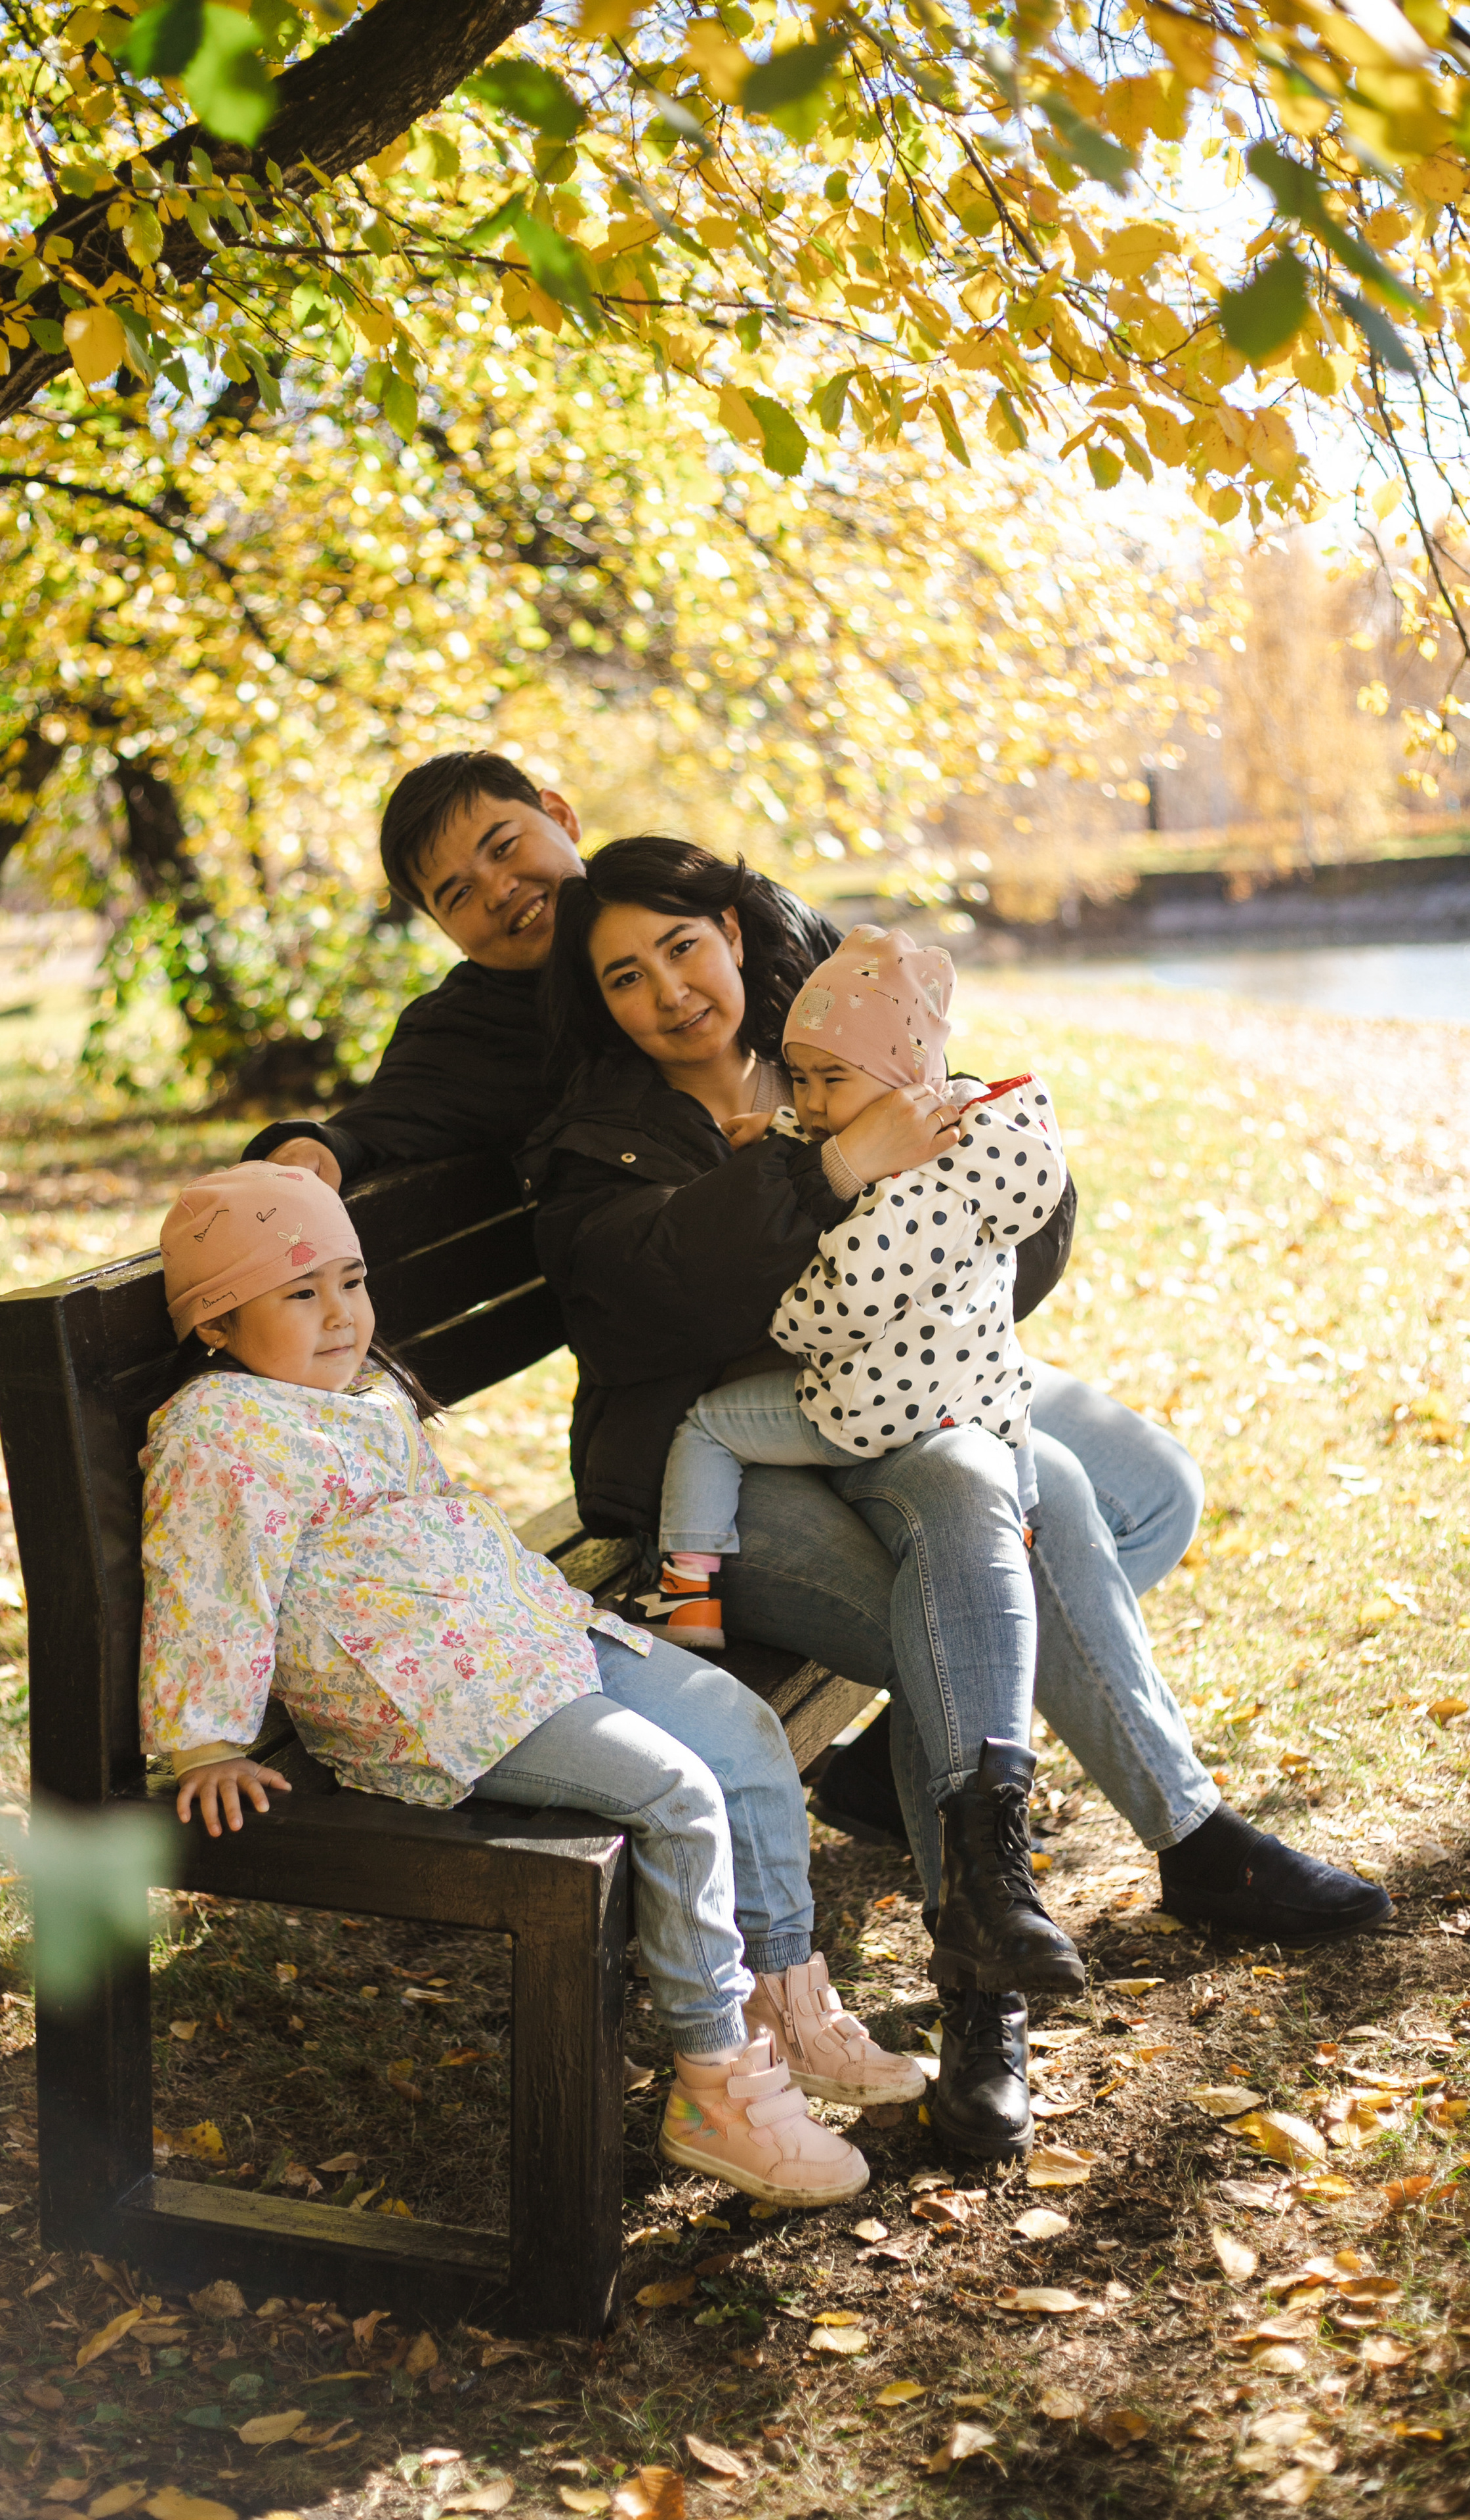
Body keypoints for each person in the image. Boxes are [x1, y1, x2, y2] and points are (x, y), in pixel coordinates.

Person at [521, 837, 1393, 2160]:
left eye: (681, 948)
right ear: (600, 1003)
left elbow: (1014, 1224)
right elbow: (644, 1301)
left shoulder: (838, 1036)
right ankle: (1051, 1949)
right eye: (624, 976)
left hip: (906, 1408)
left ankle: (1013, 1884)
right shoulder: (594, 1143)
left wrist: (948, 1167)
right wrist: (823, 1170)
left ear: (735, 934)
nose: (666, 992)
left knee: (1026, 1491)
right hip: (730, 1456)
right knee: (965, 1594)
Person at [242, 748, 1083, 1855]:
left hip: (880, 1347)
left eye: (504, 847)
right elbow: (387, 1122)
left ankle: (899, 1774)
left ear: (559, 812)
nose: (499, 891)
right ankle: (1044, 1894)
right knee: (994, 1580)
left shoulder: (748, 925)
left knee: (1129, 1497)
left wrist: (962, 1296)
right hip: (703, 1408)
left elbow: (921, 1100)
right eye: (457, 894)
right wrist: (317, 1147)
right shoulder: (477, 1042)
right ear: (445, 931)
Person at [138, 1158, 925, 2209]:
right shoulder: (221, 1432)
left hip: (519, 1640)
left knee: (741, 1730)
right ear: (216, 1324)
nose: (340, 1315)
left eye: (351, 1280)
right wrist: (208, 1741)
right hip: (429, 1701)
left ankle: (779, 1998)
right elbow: (208, 1581)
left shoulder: (359, 1397)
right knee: (678, 1794)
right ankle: (711, 2086)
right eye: (299, 1292)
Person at [649, 922, 1062, 1658]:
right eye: (799, 1079)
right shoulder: (971, 1136)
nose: (808, 1102)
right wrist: (778, 1126)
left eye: (829, 1080)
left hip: (871, 1407)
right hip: (979, 1393)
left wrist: (782, 1318)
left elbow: (846, 1307)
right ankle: (1021, 1535)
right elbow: (841, 1130)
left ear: (905, 1077)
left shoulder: (907, 1191)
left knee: (707, 1427)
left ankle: (686, 1592)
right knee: (1015, 1409)